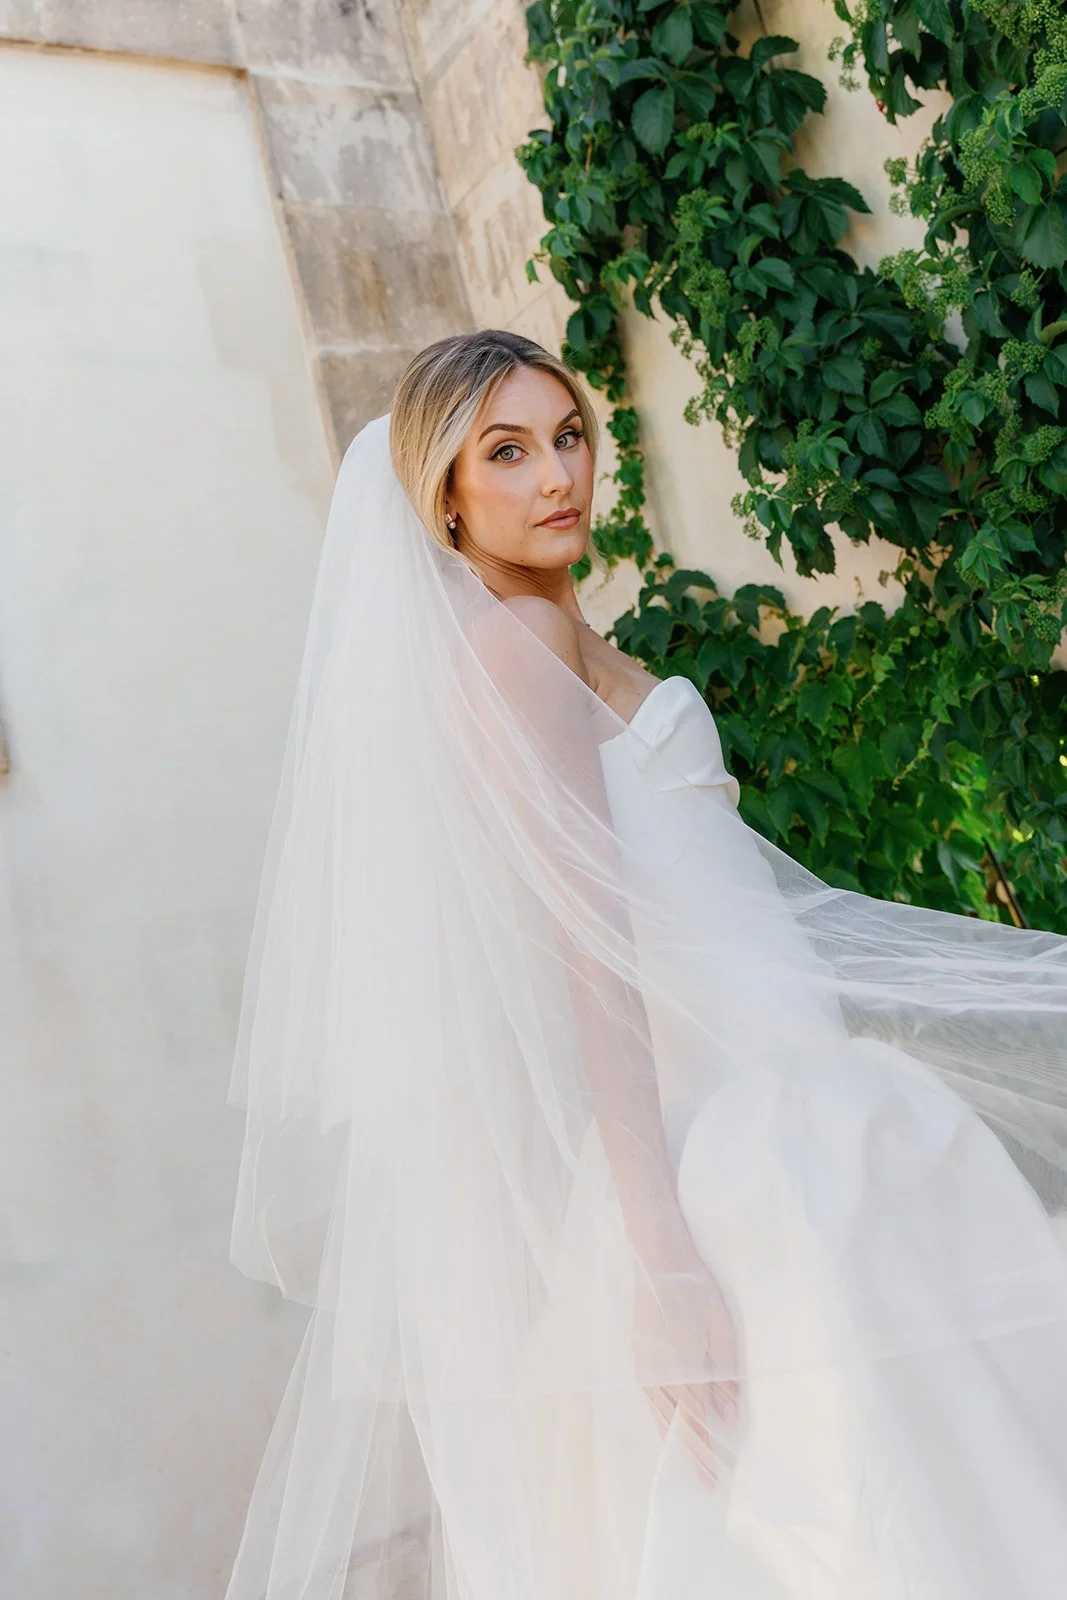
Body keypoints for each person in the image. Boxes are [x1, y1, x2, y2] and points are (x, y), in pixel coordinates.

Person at [223, 329, 1067, 1600]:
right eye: (503, 451)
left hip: (801, 1101)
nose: (555, 473)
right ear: (443, 493)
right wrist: (663, 1252)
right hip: (728, 1159)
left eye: (566, 435)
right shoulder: (513, 648)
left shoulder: (563, 633)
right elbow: (591, 959)